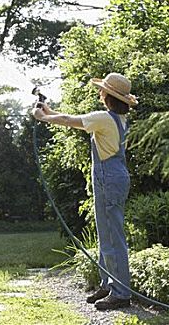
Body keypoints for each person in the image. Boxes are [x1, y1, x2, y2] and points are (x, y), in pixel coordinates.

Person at [32, 72, 138, 310]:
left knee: (113, 237)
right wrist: (48, 110)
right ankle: (108, 283)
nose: (100, 93)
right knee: (105, 233)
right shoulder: (118, 120)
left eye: (103, 91)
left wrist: (42, 117)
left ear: (108, 97)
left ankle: (121, 293)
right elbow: (72, 118)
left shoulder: (103, 118)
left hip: (109, 179)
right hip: (113, 177)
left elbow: (71, 120)